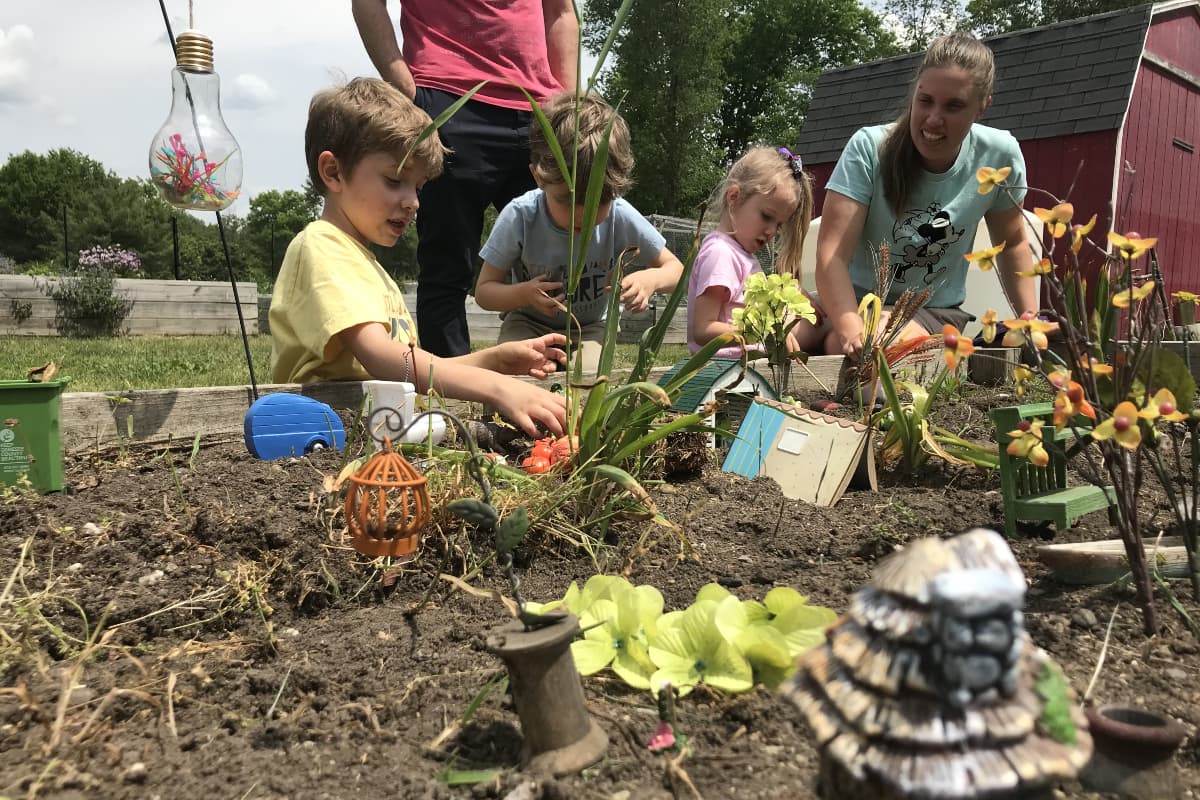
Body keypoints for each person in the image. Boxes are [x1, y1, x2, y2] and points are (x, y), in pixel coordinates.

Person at [269, 78, 567, 438]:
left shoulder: (368, 266)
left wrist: (493, 361)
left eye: (418, 187)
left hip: (371, 428)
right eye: (394, 180)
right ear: (333, 172)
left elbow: (408, 372)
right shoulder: (322, 245)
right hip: (318, 434)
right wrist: (495, 388)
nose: (413, 202)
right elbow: (382, 358)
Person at [352, 0, 579, 358]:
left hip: (540, 109)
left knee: (563, 262)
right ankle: (450, 386)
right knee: (447, 266)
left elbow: (561, 12)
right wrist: (406, 89)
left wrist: (566, 103)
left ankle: (561, 379)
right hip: (448, 99)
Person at [815, 31, 1043, 360]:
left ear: (982, 107)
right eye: (925, 101)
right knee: (778, 331)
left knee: (879, 345)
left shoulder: (998, 156)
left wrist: (1030, 320)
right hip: (847, 301)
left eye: (954, 106)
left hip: (932, 311)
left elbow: (1012, 245)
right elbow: (831, 256)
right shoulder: (868, 148)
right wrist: (850, 329)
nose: (934, 119)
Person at [473, 92, 685, 376]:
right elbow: (484, 292)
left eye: (598, 202)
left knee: (588, 379)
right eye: (566, 201)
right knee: (514, 375)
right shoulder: (520, 215)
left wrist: (651, 280)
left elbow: (677, 271)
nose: (582, 217)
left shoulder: (621, 215)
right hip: (528, 324)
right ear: (538, 177)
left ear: (615, 191)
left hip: (590, 328)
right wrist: (524, 294)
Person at [688, 146, 824, 360]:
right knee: (826, 324)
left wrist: (790, 291)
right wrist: (764, 332)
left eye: (778, 225)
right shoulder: (720, 253)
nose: (771, 231)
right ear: (734, 197)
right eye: (766, 216)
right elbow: (703, 330)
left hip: (744, 362)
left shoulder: (737, 253)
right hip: (730, 367)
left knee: (821, 317)